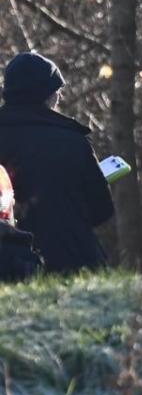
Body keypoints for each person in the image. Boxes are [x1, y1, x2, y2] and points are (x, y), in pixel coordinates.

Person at [0, 51, 114, 274]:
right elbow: (101, 210)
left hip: (8, 263)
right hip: (73, 260)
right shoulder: (74, 142)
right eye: (57, 92)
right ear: (49, 96)